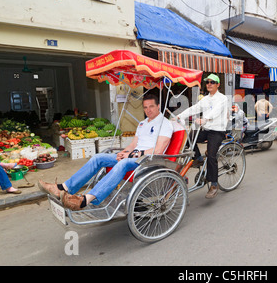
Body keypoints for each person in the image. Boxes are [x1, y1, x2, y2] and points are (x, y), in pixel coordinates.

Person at [38, 94, 173, 210]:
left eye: (151, 106)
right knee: (98, 158)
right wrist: (124, 152)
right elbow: (133, 144)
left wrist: (130, 155)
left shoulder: (165, 124)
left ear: (158, 106)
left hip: (150, 160)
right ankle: (64, 188)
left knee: (123, 163)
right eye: (145, 107)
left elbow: (158, 150)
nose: (148, 110)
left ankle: (86, 199)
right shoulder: (142, 123)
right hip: (133, 156)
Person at [177, 74, 228, 199]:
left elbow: (215, 111)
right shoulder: (205, 99)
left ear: (217, 84)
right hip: (206, 128)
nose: (209, 84)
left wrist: (205, 118)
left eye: (212, 82)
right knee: (189, 138)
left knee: (211, 155)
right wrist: (180, 116)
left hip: (217, 130)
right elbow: (194, 108)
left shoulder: (222, 98)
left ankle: (214, 185)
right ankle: (199, 158)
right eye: (207, 82)